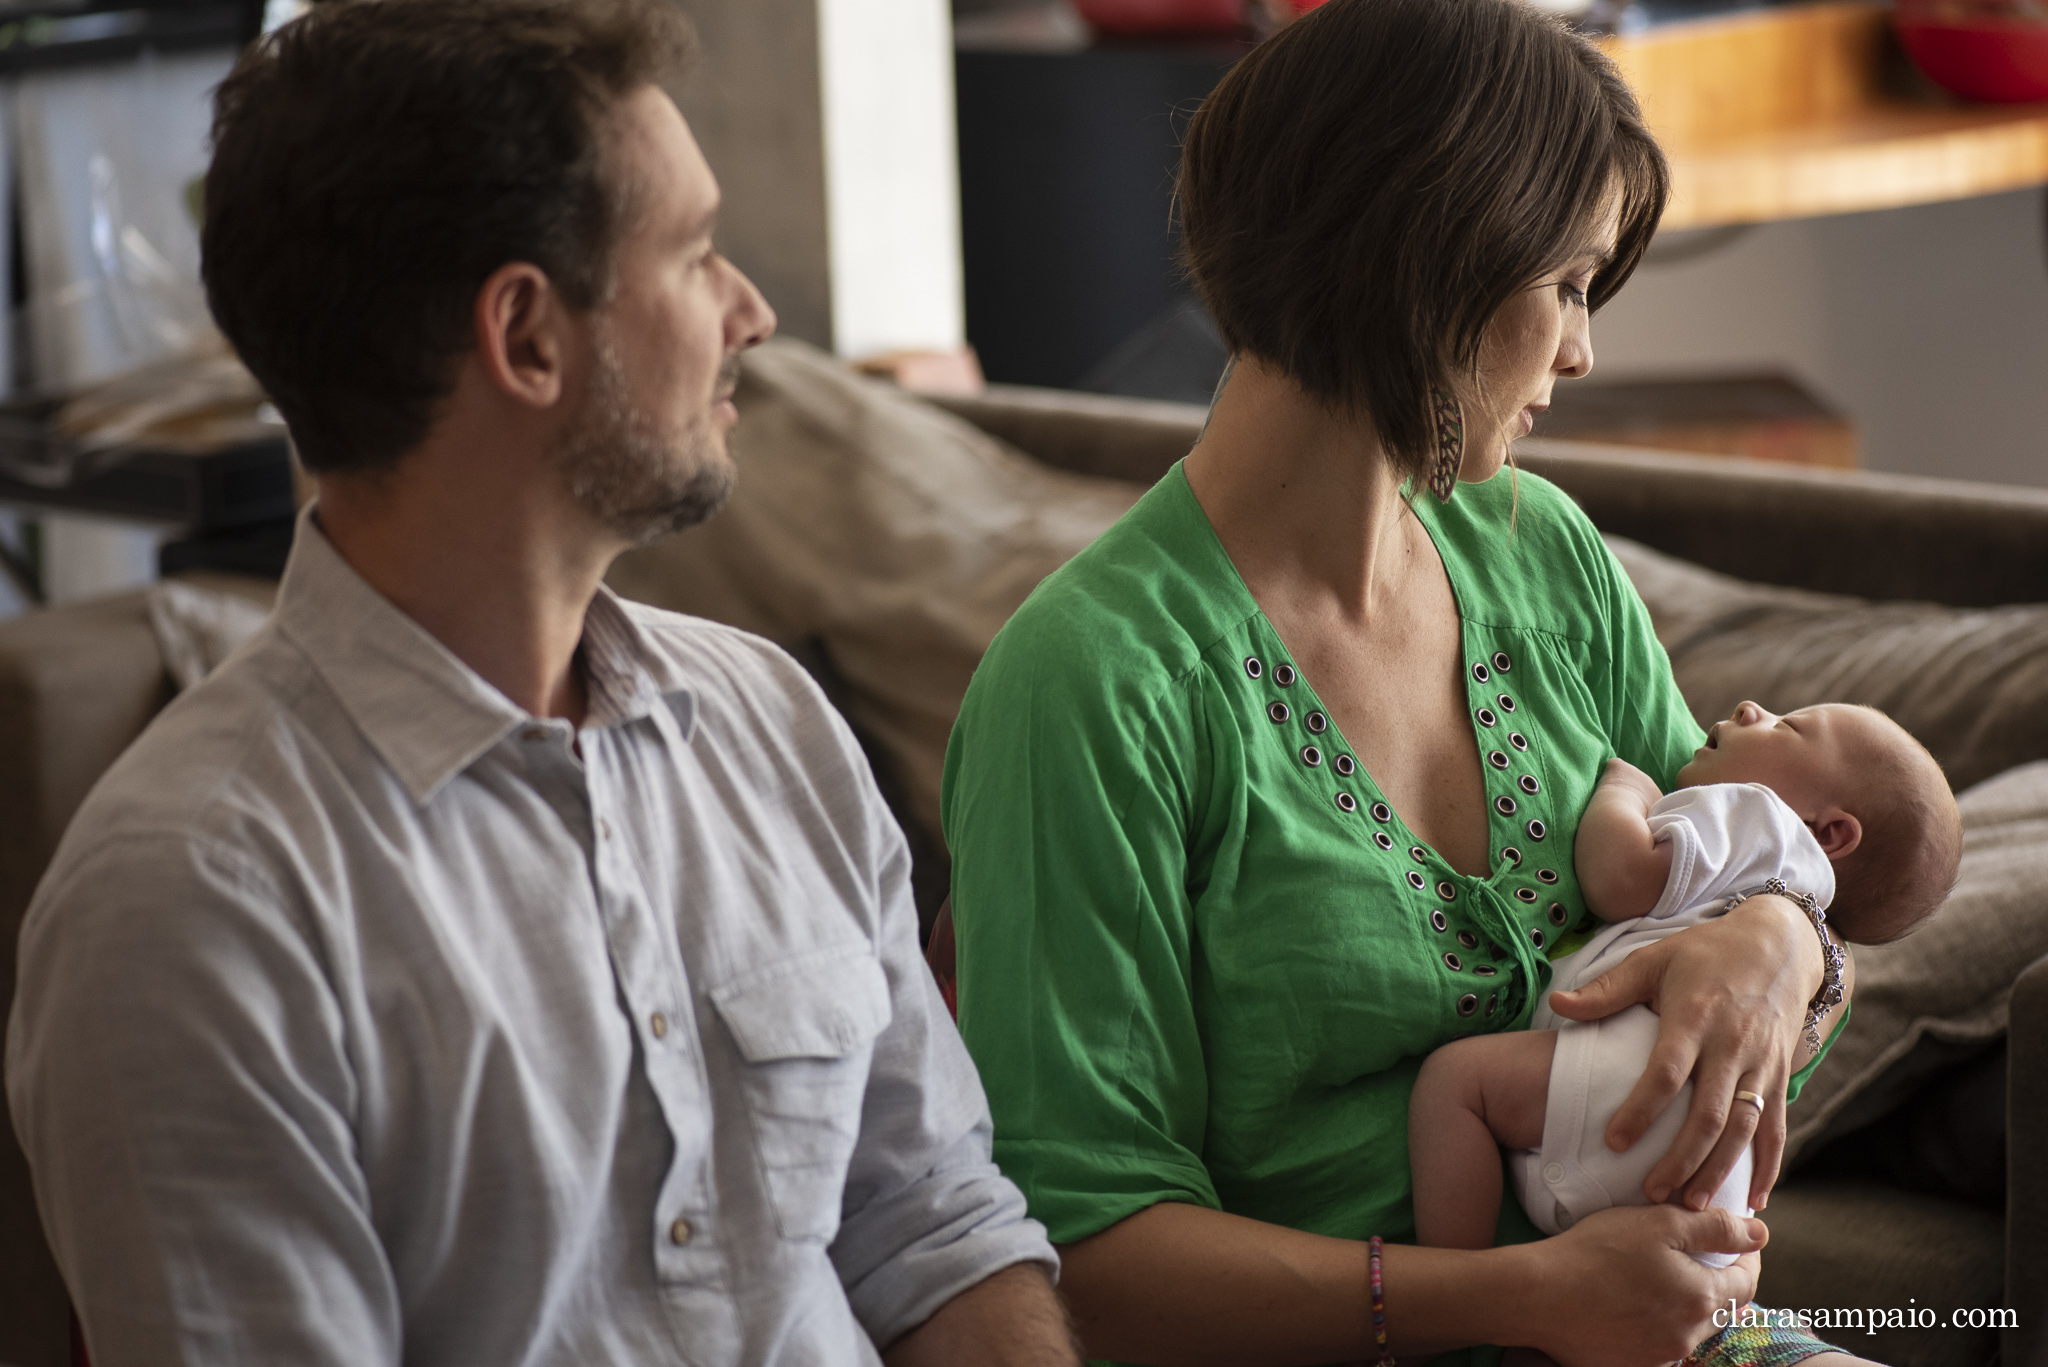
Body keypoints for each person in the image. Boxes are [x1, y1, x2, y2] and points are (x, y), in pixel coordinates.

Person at [4, 3, 1076, 1364]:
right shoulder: (195, 905)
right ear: (526, 335)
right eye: (692, 253)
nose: (751, 311)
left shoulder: (770, 724)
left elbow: (936, 1228)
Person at [940, 1, 1868, 1363]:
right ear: (1425, 251)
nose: (1581, 350)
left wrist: (1785, 947)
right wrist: (1524, 1297)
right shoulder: (1092, 684)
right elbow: (1079, 1247)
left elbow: (1746, 877)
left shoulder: (1543, 555)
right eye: (1562, 283)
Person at [1410, 702, 1961, 1265]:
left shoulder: (1761, 818)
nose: (1752, 709)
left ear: (1831, 833)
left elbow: (1621, 876)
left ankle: (1455, 1288)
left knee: (1456, 1084)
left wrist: (1624, 789)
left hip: (1634, 1088)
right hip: (1709, 1179)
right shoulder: (1798, 899)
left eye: (1788, 727)